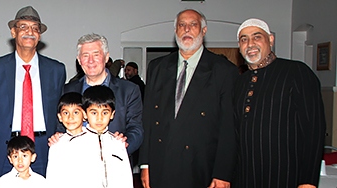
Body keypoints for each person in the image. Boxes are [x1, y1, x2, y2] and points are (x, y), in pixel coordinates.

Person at [140, 9, 238, 188]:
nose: (187, 30)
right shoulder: (157, 67)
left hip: (201, 166)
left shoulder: (223, 70)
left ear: (204, 30)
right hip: (161, 164)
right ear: (175, 30)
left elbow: (228, 128)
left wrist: (223, 173)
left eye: (193, 25)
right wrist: (145, 164)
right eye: (181, 25)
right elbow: (148, 118)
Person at [234, 18, 325, 188]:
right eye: (244, 39)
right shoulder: (239, 82)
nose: (250, 44)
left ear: (270, 39)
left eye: (257, 37)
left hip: (286, 177)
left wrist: (308, 181)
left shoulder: (297, 72)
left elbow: (314, 129)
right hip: (245, 178)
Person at [0, 5, 66, 184]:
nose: (30, 32)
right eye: (23, 27)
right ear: (13, 32)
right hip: (7, 150)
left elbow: (60, 109)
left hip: (44, 149)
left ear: (39, 36)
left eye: (35, 28)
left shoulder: (56, 70)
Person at [63, 33, 143, 155]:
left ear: (106, 57)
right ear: (79, 60)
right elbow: (60, 126)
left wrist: (123, 145)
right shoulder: (68, 90)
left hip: (114, 162)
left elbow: (136, 128)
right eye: (85, 55)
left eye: (96, 55)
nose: (90, 61)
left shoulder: (129, 90)